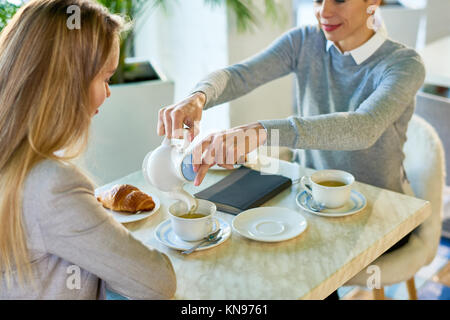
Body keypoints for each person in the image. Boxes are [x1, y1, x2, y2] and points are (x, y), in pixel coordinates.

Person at [157, 0, 425, 298]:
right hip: (313, 204)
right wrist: (198, 97)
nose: (323, 11)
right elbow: (239, 75)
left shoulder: (404, 64)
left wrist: (263, 132)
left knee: (299, 275)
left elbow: (363, 127)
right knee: (251, 261)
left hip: (382, 215)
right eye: (317, 0)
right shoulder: (304, 42)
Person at [0, 0, 176, 299]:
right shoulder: (51, 186)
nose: (108, 92)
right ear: (66, 81)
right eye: (105, 78)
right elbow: (158, 283)